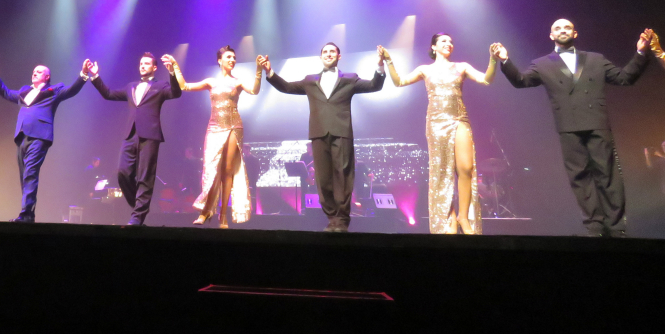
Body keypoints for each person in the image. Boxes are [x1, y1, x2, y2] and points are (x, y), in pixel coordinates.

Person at [493, 21, 652, 237]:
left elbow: (624, 78)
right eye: (557, 28)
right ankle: (594, 228)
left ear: (575, 32)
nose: (562, 30)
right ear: (551, 35)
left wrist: (641, 53)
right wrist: (505, 60)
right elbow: (521, 81)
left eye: (567, 27)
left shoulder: (596, 59)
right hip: (568, 127)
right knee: (580, 179)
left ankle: (616, 228)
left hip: (597, 124)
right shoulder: (542, 64)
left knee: (608, 176)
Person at [379, 35, 498, 235]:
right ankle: (449, 216)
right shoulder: (425, 69)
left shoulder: (462, 67)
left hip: (459, 118)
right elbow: (399, 82)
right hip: (436, 123)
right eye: (443, 41)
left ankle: (463, 217)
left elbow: (486, 80)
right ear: (433, 47)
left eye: (451, 41)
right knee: (443, 172)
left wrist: (493, 59)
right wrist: (389, 61)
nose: (448, 43)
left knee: (466, 168)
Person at [261, 43, 386, 232]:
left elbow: (374, 86)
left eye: (332, 51)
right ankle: (331, 217)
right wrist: (270, 72)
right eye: (325, 52)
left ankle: (342, 219)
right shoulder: (310, 80)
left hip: (342, 132)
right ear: (321, 57)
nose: (328, 54)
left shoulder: (349, 79)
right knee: (323, 178)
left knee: (343, 175)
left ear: (339, 56)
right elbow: (286, 87)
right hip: (319, 133)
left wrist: (380, 65)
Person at [162, 47, 262, 228]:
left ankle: (222, 216)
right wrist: (175, 67)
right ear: (219, 60)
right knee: (211, 169)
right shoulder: (211, 82)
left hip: (233, 126)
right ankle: (206, 211)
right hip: (214, 127)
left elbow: (254, 91)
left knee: (227, 170)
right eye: (228, 57)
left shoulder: (238, 82)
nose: (232, 60)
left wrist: (259, 70)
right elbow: (185, 86)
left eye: (234, 57)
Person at [89, 52, 183, 226]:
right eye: (141, 63)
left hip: (150, 134)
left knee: (145, 176)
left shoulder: (160, 86)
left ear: (154, 68)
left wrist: (172, 73)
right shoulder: (130, 86)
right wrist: (95, 76)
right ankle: (141, 208)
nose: (142, 65)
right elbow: (108, 94)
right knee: (122, 173)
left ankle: (137, 216)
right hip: (130, 135)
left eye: (147, 63)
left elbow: (176, 93)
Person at [0, 61, 89, 223]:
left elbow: (71, 90)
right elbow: (7, 93)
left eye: (39, 71)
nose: (34, 73)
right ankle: (28, 214)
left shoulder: (53, 91)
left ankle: (25, 212)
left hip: (40, 136)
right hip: (22, 136)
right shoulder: (24, 91)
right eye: (34, 71)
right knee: (24, 175)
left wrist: (83, 74)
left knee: (30, 172)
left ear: (47, 76)